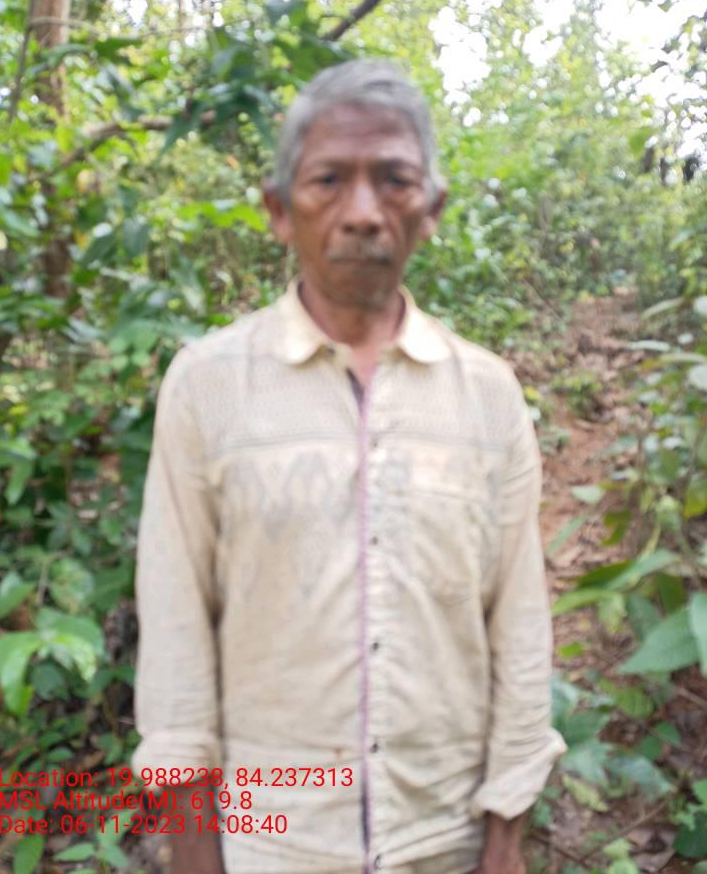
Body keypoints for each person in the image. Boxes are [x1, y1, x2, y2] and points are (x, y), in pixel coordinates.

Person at [132, 58, 566, 874]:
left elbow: (517, 622)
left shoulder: (487, 394)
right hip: (269, 844)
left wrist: (507, 830)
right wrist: (194, 848)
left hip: (444, 840)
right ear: (278, 210)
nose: (364, 213)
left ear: (431, 210)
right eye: (329, 180)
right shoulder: (208, 386)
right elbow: (177, 627)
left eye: (394, 180)